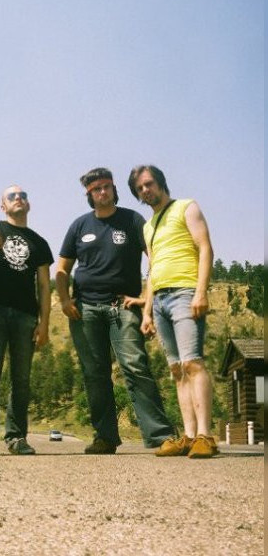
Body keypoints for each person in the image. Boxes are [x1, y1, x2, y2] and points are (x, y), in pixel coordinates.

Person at [55, 168, 174, 454]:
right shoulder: (79, 226)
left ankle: (161, 436)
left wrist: (147, 296)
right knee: (94, 373)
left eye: (107, 187)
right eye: (96, 189)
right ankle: (105, 437)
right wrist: (64, 300)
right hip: (85, 310)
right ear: (89, 195)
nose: (103, 192)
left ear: (114, 188)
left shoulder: (132, 220)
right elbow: (61, 268)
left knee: (135, 366)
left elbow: (155, 257)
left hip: (123, 305)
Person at [128, 165, 217, 458]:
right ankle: (189, 437)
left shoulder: (186, 207)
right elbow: (151, 271)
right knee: (177, 369)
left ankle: (205, 435)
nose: (145, 190)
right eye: (139, 188)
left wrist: (201, 291)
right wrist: (147, 312)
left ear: (160, 182)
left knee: (193, 363)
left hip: (185, 292)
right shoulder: (148, 225)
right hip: (161, 299)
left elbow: (204, 248)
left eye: (148, 184)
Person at [0, 186, 53, 455]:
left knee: (21, 379)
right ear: (2, 206)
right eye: (12, 196)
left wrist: (44, 323)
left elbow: (44, 286)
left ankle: (17, 437)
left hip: (26, 316)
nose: (19, 198)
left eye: (23, 196)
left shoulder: (40, 242)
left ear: (28, 205)